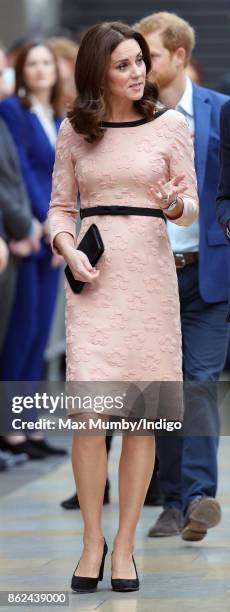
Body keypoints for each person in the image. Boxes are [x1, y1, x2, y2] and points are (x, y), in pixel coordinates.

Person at [48, 21, 198, 593]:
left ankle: (126, 549)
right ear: (98, 72)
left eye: (141, 61)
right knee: (90, 419)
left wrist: (173, 202)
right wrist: (67, 249)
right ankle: (92, 542)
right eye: (124, 65)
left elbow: (189, 207)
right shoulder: (75, 130)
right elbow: (61, 206)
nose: (138, 72)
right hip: (93, 276)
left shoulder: (171, 126)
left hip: (149, 279)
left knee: (141, 419)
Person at [136, 11, 230, 541]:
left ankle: (197, 498)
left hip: (209, 276)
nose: (140, 66)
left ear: (179, 56)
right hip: (149, 278)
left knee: (198, 384)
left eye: (148, 55)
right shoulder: (130, 116)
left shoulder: (223, 112)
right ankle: (171, 499)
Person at [0, 41, 66, 458]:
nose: (41, 71)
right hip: (33, 230)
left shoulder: (58, 117)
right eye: (33, 64)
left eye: (47, 64)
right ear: (21, 71)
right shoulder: (13, 112)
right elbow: (20, 170)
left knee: (41, 332)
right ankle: (11, 427)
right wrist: (43, 222)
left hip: (54, 235)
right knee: (21, 331)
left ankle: (30, 425)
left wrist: (63, 230)